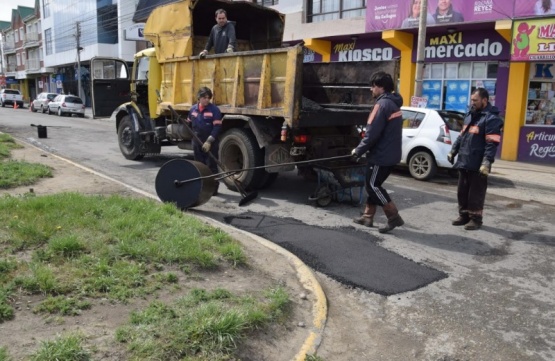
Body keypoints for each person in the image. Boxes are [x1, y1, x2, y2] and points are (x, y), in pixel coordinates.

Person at [351, 71, 405, 234]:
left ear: (380, 88)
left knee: (373, 186)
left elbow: (372, 133)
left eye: (373, 86)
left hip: (381, 156)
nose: (370, 90)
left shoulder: (381, 106)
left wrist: (358, 150)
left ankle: (394, 217)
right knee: (372, 185)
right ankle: (367, 216)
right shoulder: (393, 103)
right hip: (390, 154)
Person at [447, 88, 503, 231]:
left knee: (476, 193)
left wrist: (486, 162)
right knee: (462, 191)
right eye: (472, 100)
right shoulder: (470, 115)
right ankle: (464, 215)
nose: (472, 103)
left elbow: (492, 143)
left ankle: (476, 219)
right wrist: (453, 150)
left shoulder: (491, 118)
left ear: (484, 100)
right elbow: (462, 135)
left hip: (478, 163)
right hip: (464, 160)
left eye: (475, 100)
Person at [186, 87, 223, 194]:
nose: (207, 100)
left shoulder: (214, 110)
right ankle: (202, 188)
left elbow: (217, 127)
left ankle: (214, 189)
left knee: (211, 166)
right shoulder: (193, 110)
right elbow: (189, 123)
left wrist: (209, 141)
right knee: (199, 165)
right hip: (197, 141)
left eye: (208, 98)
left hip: (210, 142)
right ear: (199, 98)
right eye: (204, 97)